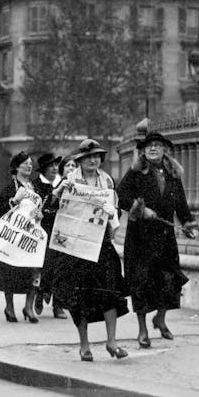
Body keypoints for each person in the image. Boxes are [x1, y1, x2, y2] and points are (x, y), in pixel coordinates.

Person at [117, 132, 199, 348]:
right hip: (140, 238)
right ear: (143, 151)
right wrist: (141, 210)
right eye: (149, 146)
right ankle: (143, 329)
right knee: (141, 283)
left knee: (170, 279)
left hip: (165, 237)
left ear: (165, 150)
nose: (153, 149)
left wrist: (188, 223)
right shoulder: (136, 172)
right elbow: (121, 196)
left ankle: (160, 318)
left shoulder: (173, 173)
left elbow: (180, 202)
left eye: (157, 145)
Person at [50, 139, 129, 361]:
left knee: (110, 292)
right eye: (88, 157)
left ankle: (111, 341)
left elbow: (116, 210)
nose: (93, 160)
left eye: (96, 156)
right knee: (79, 296)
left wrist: (112, 212)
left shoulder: (107, 181)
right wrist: (57, 193)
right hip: (75, 248)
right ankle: (84, 344)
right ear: (80, 161)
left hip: (101, 244)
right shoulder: (70, 181)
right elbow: (51, 210)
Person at [0, 152, 40, 323]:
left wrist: (39, 213)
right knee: (10, 270)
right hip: (13, 236)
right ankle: (9, 306)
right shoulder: (9, 187)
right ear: (16, 167)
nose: (28, 166)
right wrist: (14, 200)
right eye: (24, 164)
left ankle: (29, 307)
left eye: (30, 163)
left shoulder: (34, 187)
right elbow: (0, 210)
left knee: (33, 268)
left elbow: (41, 205)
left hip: (30, 233)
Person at [36, 155, 77, 320]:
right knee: (48, 266)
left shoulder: (78, 185)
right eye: (68, 166)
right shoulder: (52, 185)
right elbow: (44, 206)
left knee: (63, 270)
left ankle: (58, 305)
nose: (71, 169)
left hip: (67, 230)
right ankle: (41, 292)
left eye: (74, 166)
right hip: (48, 230)